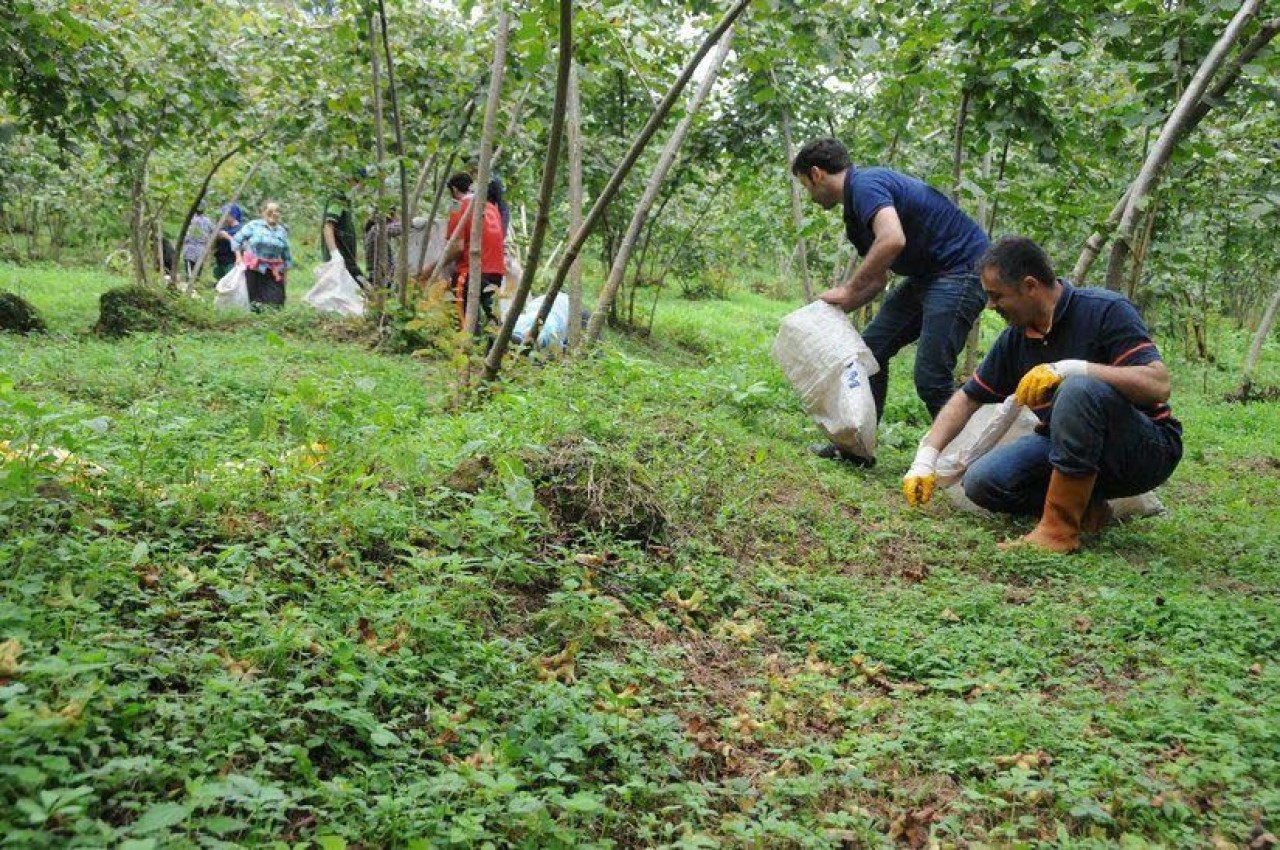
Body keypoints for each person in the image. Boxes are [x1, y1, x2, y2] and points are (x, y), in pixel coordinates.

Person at [901, 235, 1182, 553]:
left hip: (1144, 449)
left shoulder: (1105, 310)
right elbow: (968, 398)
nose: (991, 306)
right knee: (982, 482)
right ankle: (1089, 509)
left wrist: (1072, 368)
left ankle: (1058, 531)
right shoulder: (1016, 339)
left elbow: (1158, 384)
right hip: (1063, 448)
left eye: (997, 296)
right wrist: (926, 458)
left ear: (1030, 286)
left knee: (1078, 389)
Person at [791, 137, 990, 464]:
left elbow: (892, 239)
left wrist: (847, 289)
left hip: (961, 269)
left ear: (816, 174)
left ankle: (970, 464)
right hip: (927, 276)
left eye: (806, 187)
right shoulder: (855, 216)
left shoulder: (866, 185)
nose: (810, 197)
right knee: (870, 352)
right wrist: (834, 310)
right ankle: (857, 450)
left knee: (931, 375)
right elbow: (877, 279)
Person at [424, 172, 505, 330]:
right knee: (493, 318)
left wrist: (430, 270)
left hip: (470, 272)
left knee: (465, 323)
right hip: (496, 271)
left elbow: (457, 247)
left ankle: (467, 350)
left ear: (454, 190)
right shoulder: (490, 207)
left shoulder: (459, 207)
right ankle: (497, 350)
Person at [232, 201, 293, 309]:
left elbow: (286, 255)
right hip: (254, 269)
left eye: (277, 211)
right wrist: (238, 257)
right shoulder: (254, 225)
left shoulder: (282, 231)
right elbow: (236, 240)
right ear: (263, 212)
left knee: (277, 302)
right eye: (270, 211)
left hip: (274, 271)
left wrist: (285, 277)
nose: (274, 213)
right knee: (256, 302)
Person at [322, 170, 367, 287]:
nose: (363, 187)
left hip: (348, 261)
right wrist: (334, 254)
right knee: (364, 290)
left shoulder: (346, 200)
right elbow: (328, 226)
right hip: (341, 262)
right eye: (363, 183)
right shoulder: (339, 198)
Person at [182, 203, 214, 280]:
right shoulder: (208, 221)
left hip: (190, 249)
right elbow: (213, 232)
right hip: (201, 249)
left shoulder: (190, 219)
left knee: (189, 274)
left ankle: (190, 289)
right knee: (197, 274)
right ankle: (195, 288)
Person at [212, 203, 243, 281]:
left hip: (231, 262)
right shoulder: (223, 228)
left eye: (226, 214)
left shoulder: (241, 229)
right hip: (220, 261)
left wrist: (227, 237)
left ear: (233, 215)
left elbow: (241, 246)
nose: (224, 217)